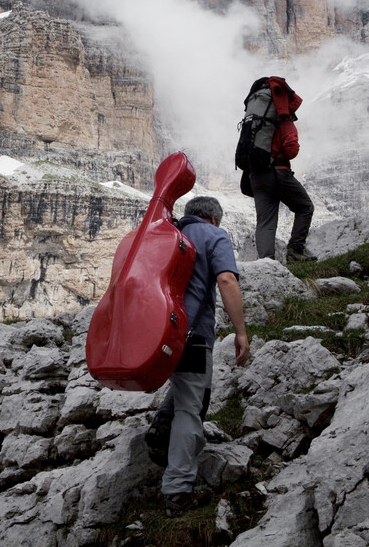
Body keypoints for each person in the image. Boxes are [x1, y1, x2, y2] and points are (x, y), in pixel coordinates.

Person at [145, 195, 249, 516]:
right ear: (214, 219)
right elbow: (226, 279)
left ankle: (163, 425)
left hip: (156, 332)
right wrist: (241, 331)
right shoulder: (213, 235)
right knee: (194, 407)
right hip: (191, 336)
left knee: (187, 391)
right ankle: (177, 492)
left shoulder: (165, 233)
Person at [245, 76, 315, 262]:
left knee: (265, 221)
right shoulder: (284, 120)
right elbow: (291, 150)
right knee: (305, 207)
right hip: (278, 173)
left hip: (255, 175)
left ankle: (266, 263)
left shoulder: (253, 122)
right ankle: (295, 250)